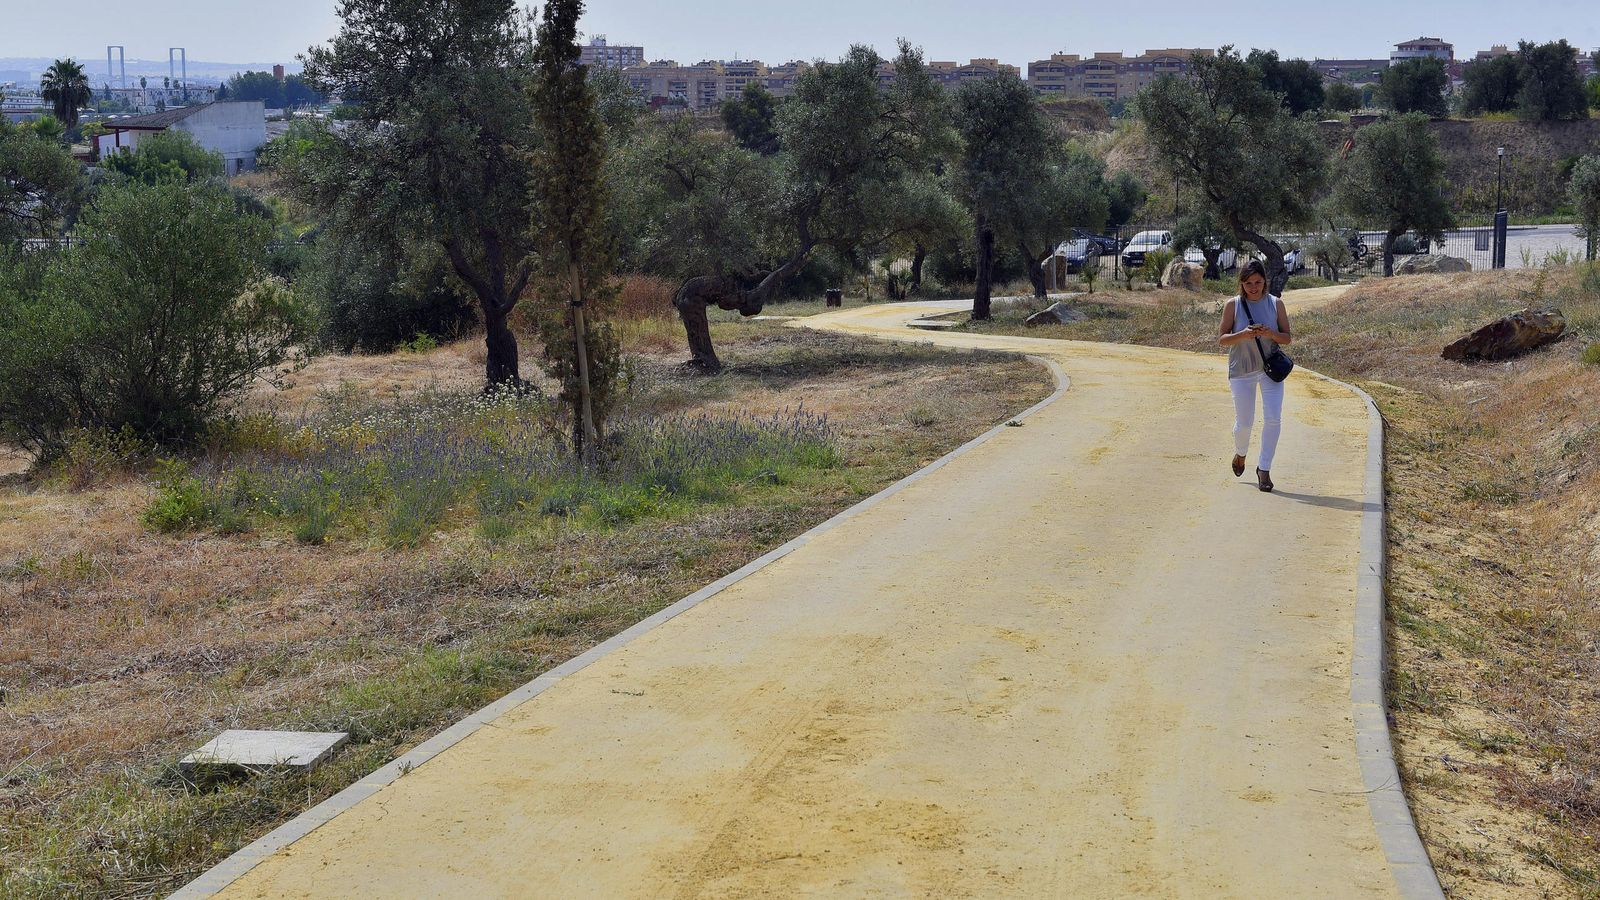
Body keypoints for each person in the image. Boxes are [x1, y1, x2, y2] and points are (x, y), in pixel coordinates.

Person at [1217, 260, 1292, 493]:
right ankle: (1241, 453)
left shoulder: (1276, 304)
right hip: (1241, 371)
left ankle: (1264, 469)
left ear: (1264, 282)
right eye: (1249, 283)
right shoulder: (1233, 305)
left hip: (1269, 370)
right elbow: (1222, 339)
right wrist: (1243, 335)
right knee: (1245, 423)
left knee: (1273, 419)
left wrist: (1271, 333)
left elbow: (1287, 337)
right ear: (1241, 284)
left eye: (1258, 282)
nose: (1254, 287)